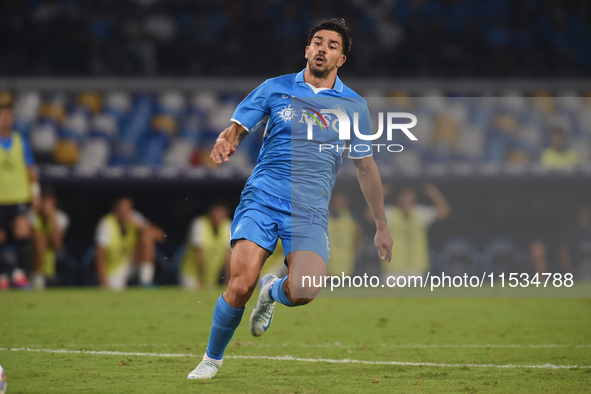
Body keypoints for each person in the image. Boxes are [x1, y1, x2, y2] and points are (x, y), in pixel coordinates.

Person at [188, 19, 393, 380]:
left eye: (331, 45)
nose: (322, 49)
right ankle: (211, 359)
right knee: (239, 285)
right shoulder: (275, 88)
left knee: (305, 290)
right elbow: (238, 127)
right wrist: (227, 140)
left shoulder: (353, 106)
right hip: (263, 196)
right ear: (306, 49)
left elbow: (365, 168)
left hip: (310, 210)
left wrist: (380, 224)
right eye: (317, 42)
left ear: (341, 59)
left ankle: (272, 292)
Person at [0, 92, 40, 291]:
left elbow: (30, 169)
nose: (6, 118)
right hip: (0, 196)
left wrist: (35, 191)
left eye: (9, 114)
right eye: (2, 114)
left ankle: (17, 272)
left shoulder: (19, 140)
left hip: (18, 195)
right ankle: (2, 275)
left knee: (22, 231)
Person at [95, 197, 165, 290]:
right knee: (115, 294)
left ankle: (146, 281)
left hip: (131, 261)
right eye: (121, 211)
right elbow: (100, 255)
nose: (124, 214)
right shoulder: (106, 224)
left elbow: (161, 236)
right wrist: (103, 281)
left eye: (127, 211)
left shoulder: (135, 218)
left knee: (147, 237)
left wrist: (140, 226)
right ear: (115, 211)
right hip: (114, 268)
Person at [383, 184, 451, 278]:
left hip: (416, 266)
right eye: (405, 196)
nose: (407, 199)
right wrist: (380, 193)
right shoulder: (390, 213)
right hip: (394, 266)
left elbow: (445, 211)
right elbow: (369, 214)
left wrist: (433, 193)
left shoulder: (420, 213)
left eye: (410, 196)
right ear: (398, 197)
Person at [180, 203, 232, 290]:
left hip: (212, 277)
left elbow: (229, 257)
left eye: (221, 212)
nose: (218, 215)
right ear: (210, 212)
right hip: (192, 275)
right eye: (216, 211)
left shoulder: (228, 225)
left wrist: (227, 281)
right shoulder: (199, 224)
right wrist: (200, 279)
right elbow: (199, 254)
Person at [30, 187, 70, 289]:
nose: (45, 205)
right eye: (43, 201)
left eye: (48, 201)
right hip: (33, 265)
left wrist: (52, 219)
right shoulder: (32, 215)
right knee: (40, 243)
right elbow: (36, 240)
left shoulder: (61, 217)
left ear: (54, 202)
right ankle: (36, 277)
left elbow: (57, 244)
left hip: (55, 264)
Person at [327, 191, 361, 277]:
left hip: (347, 266)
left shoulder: (351, 217)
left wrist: (355, 255)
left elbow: (360, 237)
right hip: (327, 266)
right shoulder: (324, 217)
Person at [559, 203, 591, 280]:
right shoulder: (571, 230)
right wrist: (568, 271)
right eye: (584, 212)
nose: (586, 215)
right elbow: (564, 250)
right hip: (578, 267)